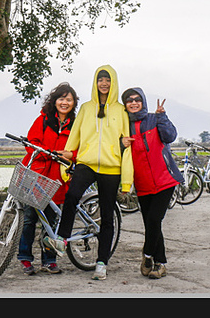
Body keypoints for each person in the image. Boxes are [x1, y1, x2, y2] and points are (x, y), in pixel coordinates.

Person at [55, 64, 132, 281]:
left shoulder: (121, 111)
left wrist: (127, 181)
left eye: (107, 79)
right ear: (95, 82)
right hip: (86, 163)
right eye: (100, 79)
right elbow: (75, 136)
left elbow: (127, 144)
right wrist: (67, 158)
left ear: (113, 82)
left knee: (107, 216)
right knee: (72, 195)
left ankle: (102, 262)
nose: (104, 83)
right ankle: (62, 238)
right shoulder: (86, 108)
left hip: (111, 167)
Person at [16, 82, 77, 275]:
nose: (64, 103)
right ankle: (25, 258)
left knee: (51, 222)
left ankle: (49, 260)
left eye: (69, 99)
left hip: (58, 180)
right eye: (61, 99)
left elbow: (80, 149)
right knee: (29, 220)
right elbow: (31, 143)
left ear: (74, 103)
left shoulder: (76, 125)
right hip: (36, 176)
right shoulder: (43, 120)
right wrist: (48, 153)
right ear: (54, 101)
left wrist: (69, 155)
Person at [120, 87, 181, 280]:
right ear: (125, 104)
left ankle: (148, 256)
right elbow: (118, 151)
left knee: (154, 220)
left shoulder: (154, 119)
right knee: (151, 224)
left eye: (137, 99)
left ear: (143, 101)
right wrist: (121, 143)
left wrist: (162, 117)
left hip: (165, 179)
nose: (133, 103)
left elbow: (170, 136)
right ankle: (159, 264)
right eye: (129, 100)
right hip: (142, 183)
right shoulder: (124, 126)